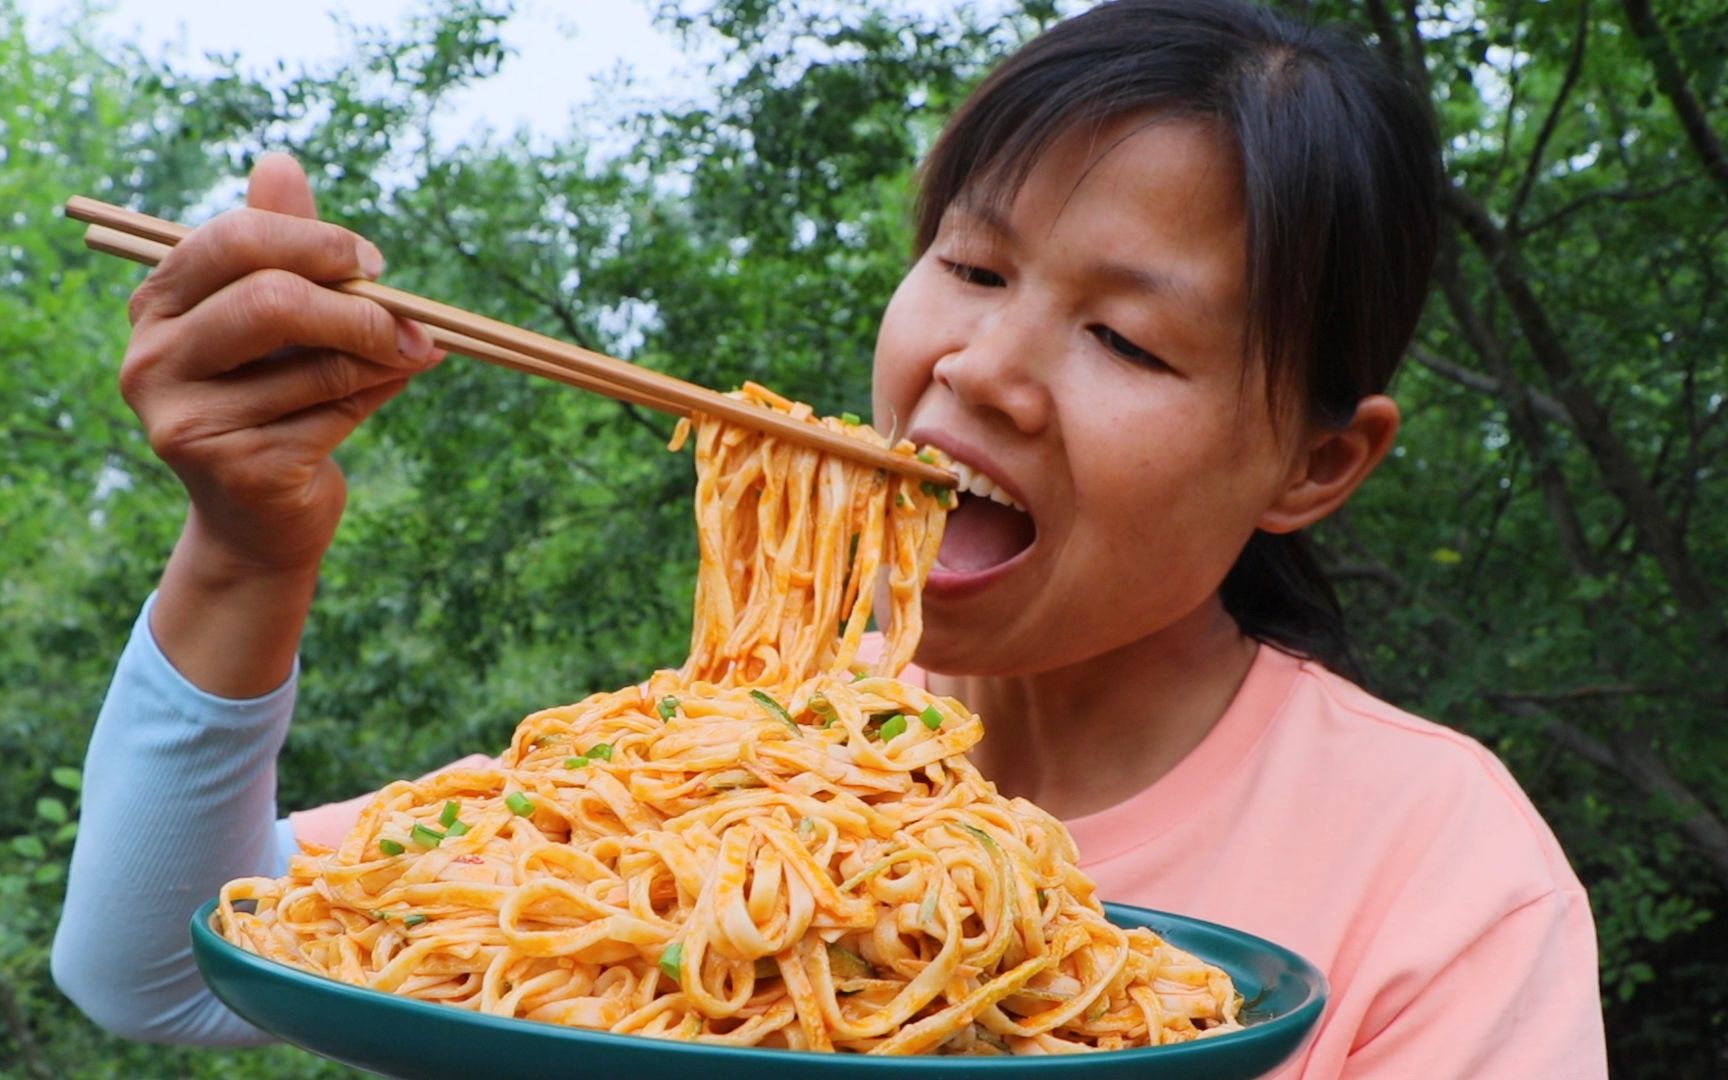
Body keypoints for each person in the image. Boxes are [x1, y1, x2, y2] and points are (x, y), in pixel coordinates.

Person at [53, 0, 1607, 1074]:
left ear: (1318, 462)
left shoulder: (1439, 873)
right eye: (974, 266)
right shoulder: (720, 767)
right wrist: (247, 557)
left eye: (1128, 343)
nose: (980, 366)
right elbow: (167, 966)